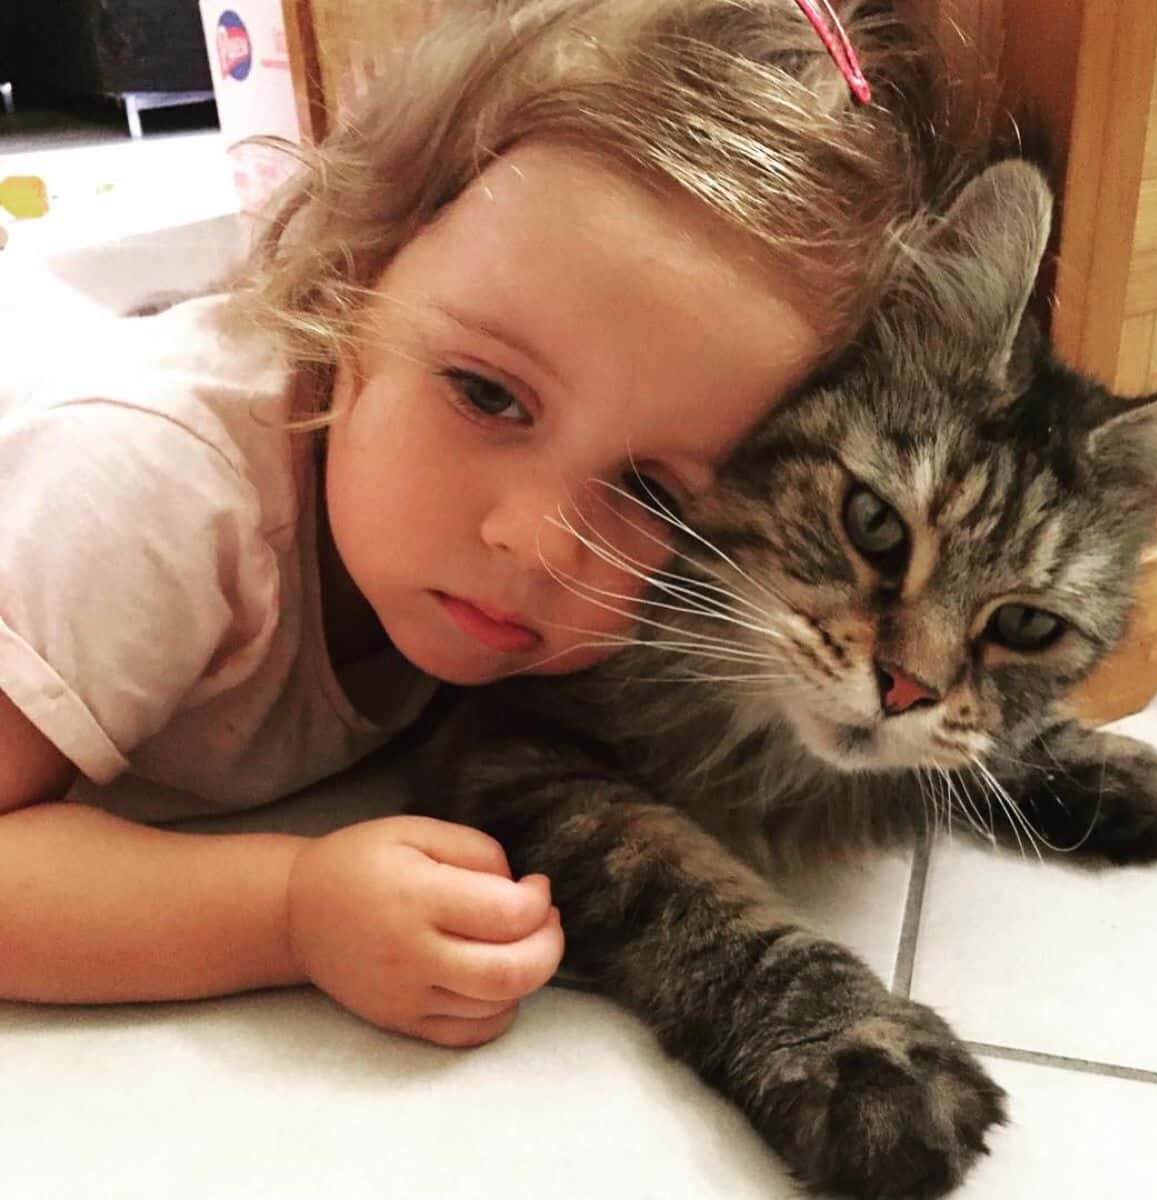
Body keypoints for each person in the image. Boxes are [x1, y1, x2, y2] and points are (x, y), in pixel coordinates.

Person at [0, 0, 958, 1046]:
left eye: (651, 494)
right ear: (355, 276)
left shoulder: (470, 536)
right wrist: (286, 912)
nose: (538, 543)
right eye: (488, 396)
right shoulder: (151, 491)